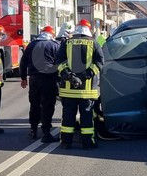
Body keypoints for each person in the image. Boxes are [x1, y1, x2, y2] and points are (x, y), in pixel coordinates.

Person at [56, 18, 104, 149]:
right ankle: (88, 143)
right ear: (89, 29)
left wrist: (70, 77)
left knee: (67, 118)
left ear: (77, 28)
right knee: (87, 117)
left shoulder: (67, 42)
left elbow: (59, 62)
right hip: (86, 91)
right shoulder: (94, 43)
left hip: (68, 89)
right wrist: (84, 76)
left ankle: (66, 142)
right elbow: (99, 63)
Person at [20, 25, 60, 142]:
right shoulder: (55, 46)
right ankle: (46, 133)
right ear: (52, 34)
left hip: (34, 79)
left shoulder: (31, 45)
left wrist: (23, 78)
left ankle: (33, 130)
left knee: (34, 104)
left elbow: (23, 63)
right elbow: (60, 63)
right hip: (49, 79)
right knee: (47, 106)